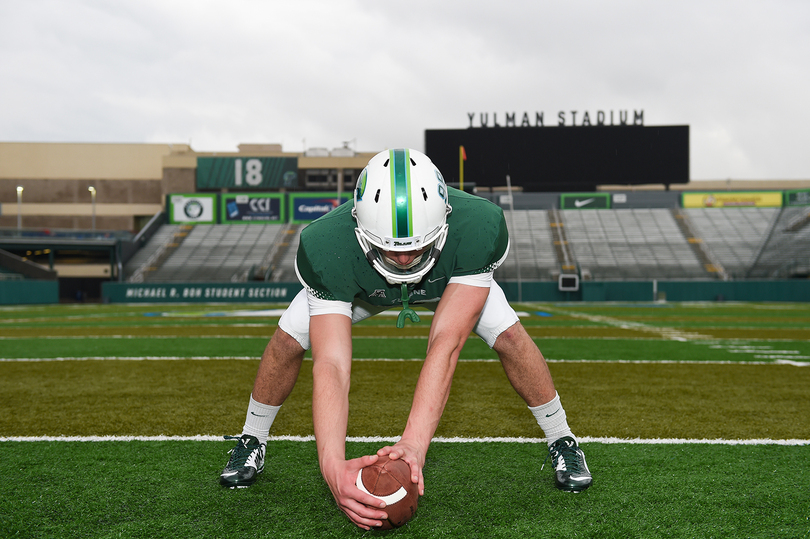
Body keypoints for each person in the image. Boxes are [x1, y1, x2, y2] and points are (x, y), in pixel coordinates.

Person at [220, 148, 592, 529]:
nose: (403, 260)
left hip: (448, 280)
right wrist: (331, 466)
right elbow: (332, 364)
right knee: (286, 342)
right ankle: (252, 439)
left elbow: (445, 344)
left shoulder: (478, 225)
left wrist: (414, 444)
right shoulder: (326, 244)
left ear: (445, 217)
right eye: (389, 248)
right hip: (365, 287)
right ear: (358, 226)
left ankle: (561, 438)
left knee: (511, 337)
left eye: (416, 245)